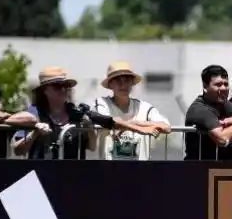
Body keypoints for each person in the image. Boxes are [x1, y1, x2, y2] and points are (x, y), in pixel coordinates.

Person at [12, 67, 149, 160]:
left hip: (73, 177)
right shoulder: (33, 113)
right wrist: (35, 132)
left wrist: (89, 129)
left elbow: (92, 146)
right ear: (45, 90)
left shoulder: (76, 112)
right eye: (58, 86)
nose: (64, 90)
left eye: (66, 86)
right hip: (40, 176)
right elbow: (17, 150)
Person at [90, 62, 172, 161]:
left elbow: (166, 127)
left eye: (127, 80)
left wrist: (133, 124)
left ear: (132, 83)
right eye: (117, 80)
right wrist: (140, 128)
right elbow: (105, 119)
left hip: (139, 172)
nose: (122, 84)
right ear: (110, 84)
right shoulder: (102, 103)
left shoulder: (144, 107)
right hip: (109, 172)